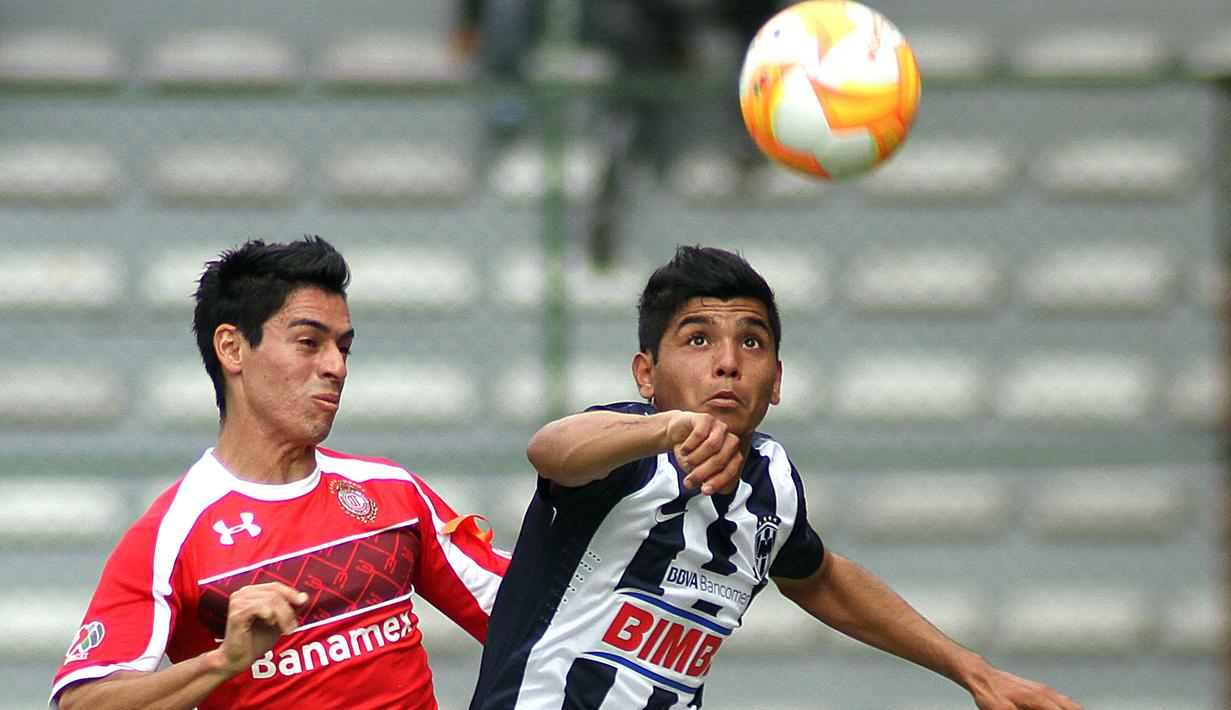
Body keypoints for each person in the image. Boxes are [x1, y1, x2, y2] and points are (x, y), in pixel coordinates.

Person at [469, 245, 1082, 709]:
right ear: (646, 374)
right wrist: (668, 429)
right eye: (698, 339)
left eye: (752, 342)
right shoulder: (625, 449)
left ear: (778, 379)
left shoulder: (774, 483)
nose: (729, 362)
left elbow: (822, 579)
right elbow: (551, 449)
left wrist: (972, 671)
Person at [50, 236, 509, 710]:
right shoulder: (172, 534)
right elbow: (84, 702)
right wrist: (224, 660)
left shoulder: (392, 491)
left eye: (343, 348)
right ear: (232, 349)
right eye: (308, 343)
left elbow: (534, 616)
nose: (336, 367)